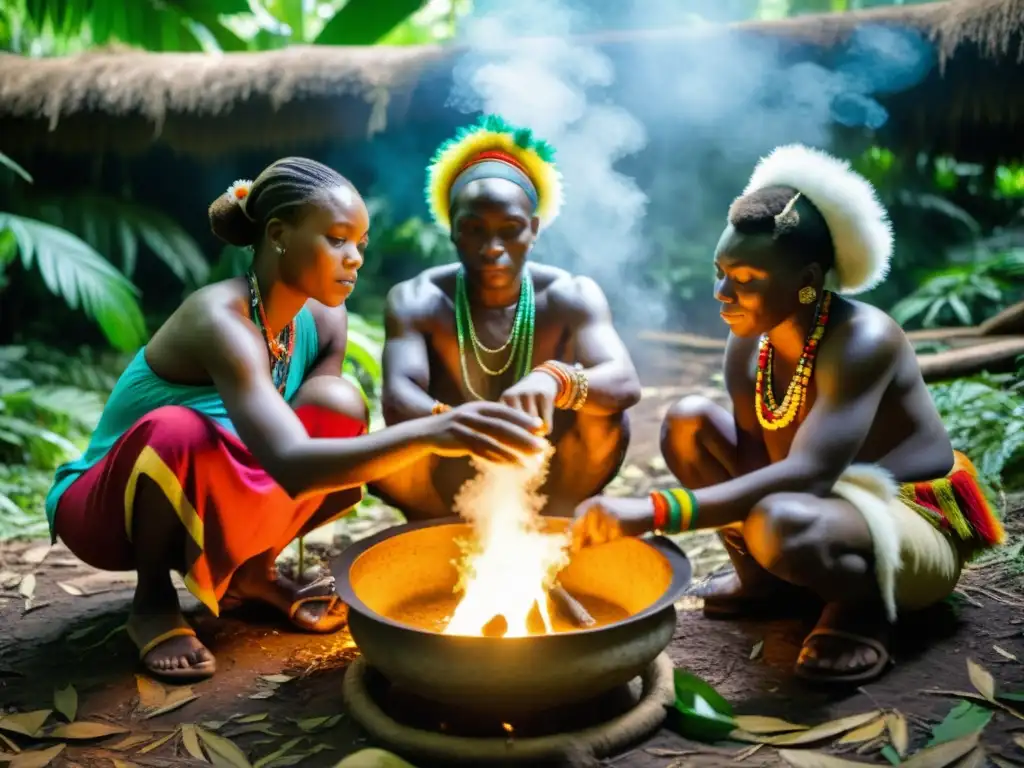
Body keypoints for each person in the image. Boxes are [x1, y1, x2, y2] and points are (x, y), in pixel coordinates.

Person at [45, 158, 548, 683]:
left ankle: (252, 575)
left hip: (226, 485)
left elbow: (305, 443)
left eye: (361, 242)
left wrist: (441, 433)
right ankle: (152, 602)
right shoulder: (218, 318)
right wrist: (434, 431)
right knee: (178, 430)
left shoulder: (325, 317)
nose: (354, 259)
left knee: (338, 404)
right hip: (109, 508)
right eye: (336, 239)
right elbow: (291, 463)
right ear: (279, 234)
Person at [571, 145, 1004, 685]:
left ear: (807, 278)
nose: (722, 293)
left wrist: (655, 510)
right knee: (688, 423)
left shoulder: (863, 339)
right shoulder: (749, 343)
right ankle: (764, 584)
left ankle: (861, 610)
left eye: (746, 278)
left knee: (779, 522)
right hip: (816, 507)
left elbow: (809, 473)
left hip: (901, 521)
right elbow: (758, 461)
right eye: (720, 272)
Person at [370, 115, 641, 520]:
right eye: (474, 229)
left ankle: (557, 529)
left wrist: (556, 379)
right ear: (453, 231)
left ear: (533, 229)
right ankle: (434, 531)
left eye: (510, 229)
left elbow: (623, 382)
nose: (492, 247)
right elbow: (397, 398)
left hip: (546, 469)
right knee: (388, 440)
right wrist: (459, 423)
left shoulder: (571, 294)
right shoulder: (417, 299)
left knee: (606, 417)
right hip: (448, 467)